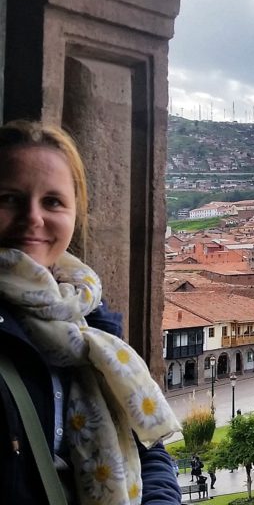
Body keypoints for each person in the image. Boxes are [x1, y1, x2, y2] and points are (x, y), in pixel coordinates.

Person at [0, 121, 180, 502]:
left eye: (52, 201)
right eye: (9, 198)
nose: (33, 217)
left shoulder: (89, 319)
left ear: (75, 213)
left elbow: (148, 451)